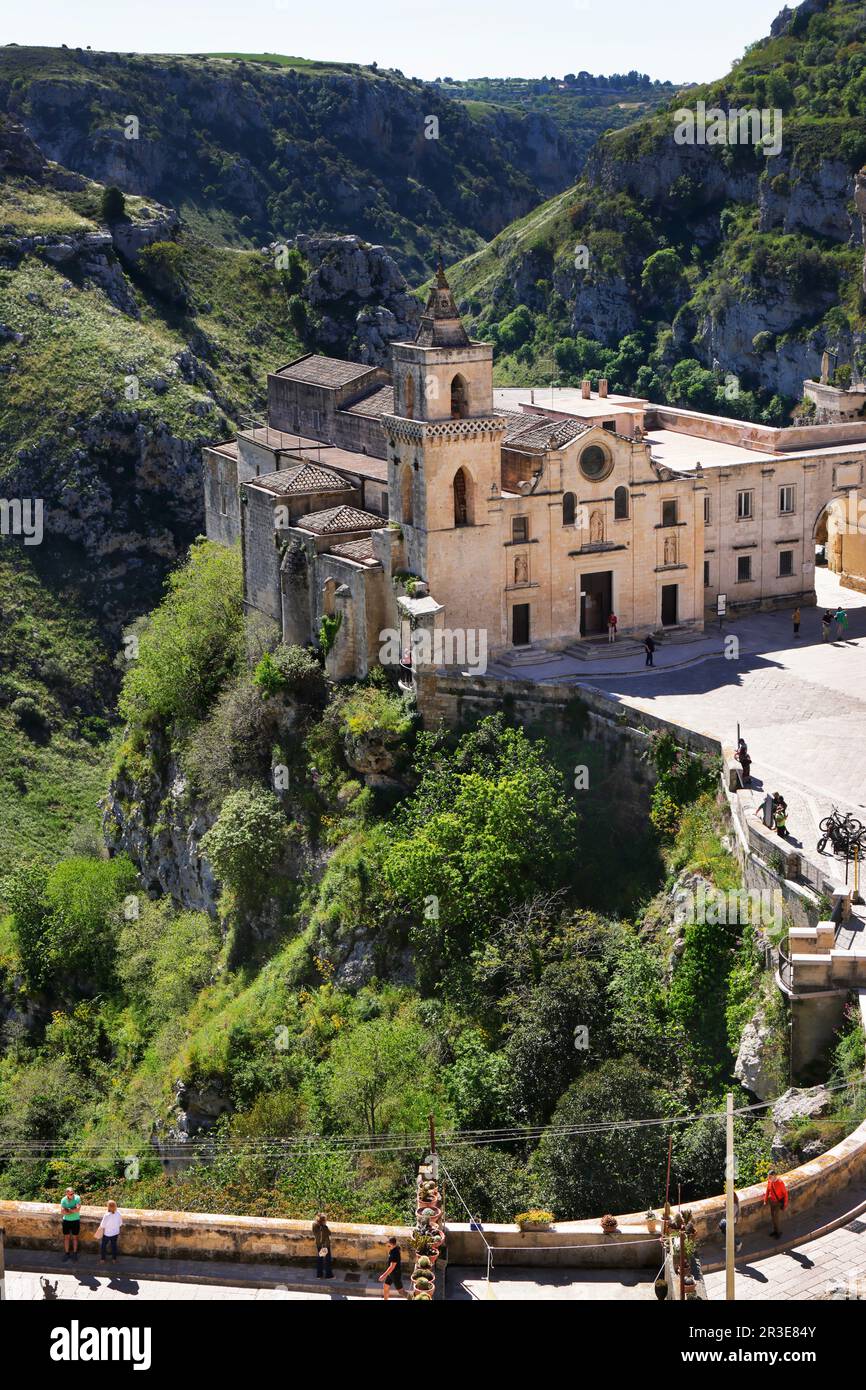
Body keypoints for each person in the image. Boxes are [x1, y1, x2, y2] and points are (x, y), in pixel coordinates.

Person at [764, 1170, 789, 1237]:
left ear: (775, 1176)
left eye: (770, 1177)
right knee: (773, 1217)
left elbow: (785, 1194)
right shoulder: (770, 1181)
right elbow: (767, 1190)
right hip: (772, 1202)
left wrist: (785, 1204)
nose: (769, 1178)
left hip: (778, 1203)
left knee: (776, 1218)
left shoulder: (780, 1183)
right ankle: (775, 1231)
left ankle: (778, 1233)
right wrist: (765, 1199)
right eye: (768, 1177)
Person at [60, 1186, 81, 1262]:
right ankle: (67, 1253)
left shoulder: (77, 1198)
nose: (72, 1195)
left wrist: (68, 1210)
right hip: (66, 1221)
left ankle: (75, 1254)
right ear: (67, 1194)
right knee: (66, 1238)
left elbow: (78, 1209)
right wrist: (73, 1209)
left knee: (75, 1238)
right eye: (70, 1194)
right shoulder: (63, 1200)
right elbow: (62, 1212)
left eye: (73, 1193)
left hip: (75, 1220)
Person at [312, 1211, 334, 1279]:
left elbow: (315, 1233)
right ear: (323, 1221)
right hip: (324, 1246)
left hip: (319, 1244)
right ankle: (328, 1275)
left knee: (320, 1260)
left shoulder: (314, 1225)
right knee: (327, 1260)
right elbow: (329, 1233)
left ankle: (319, 1275)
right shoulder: (324, 1228)